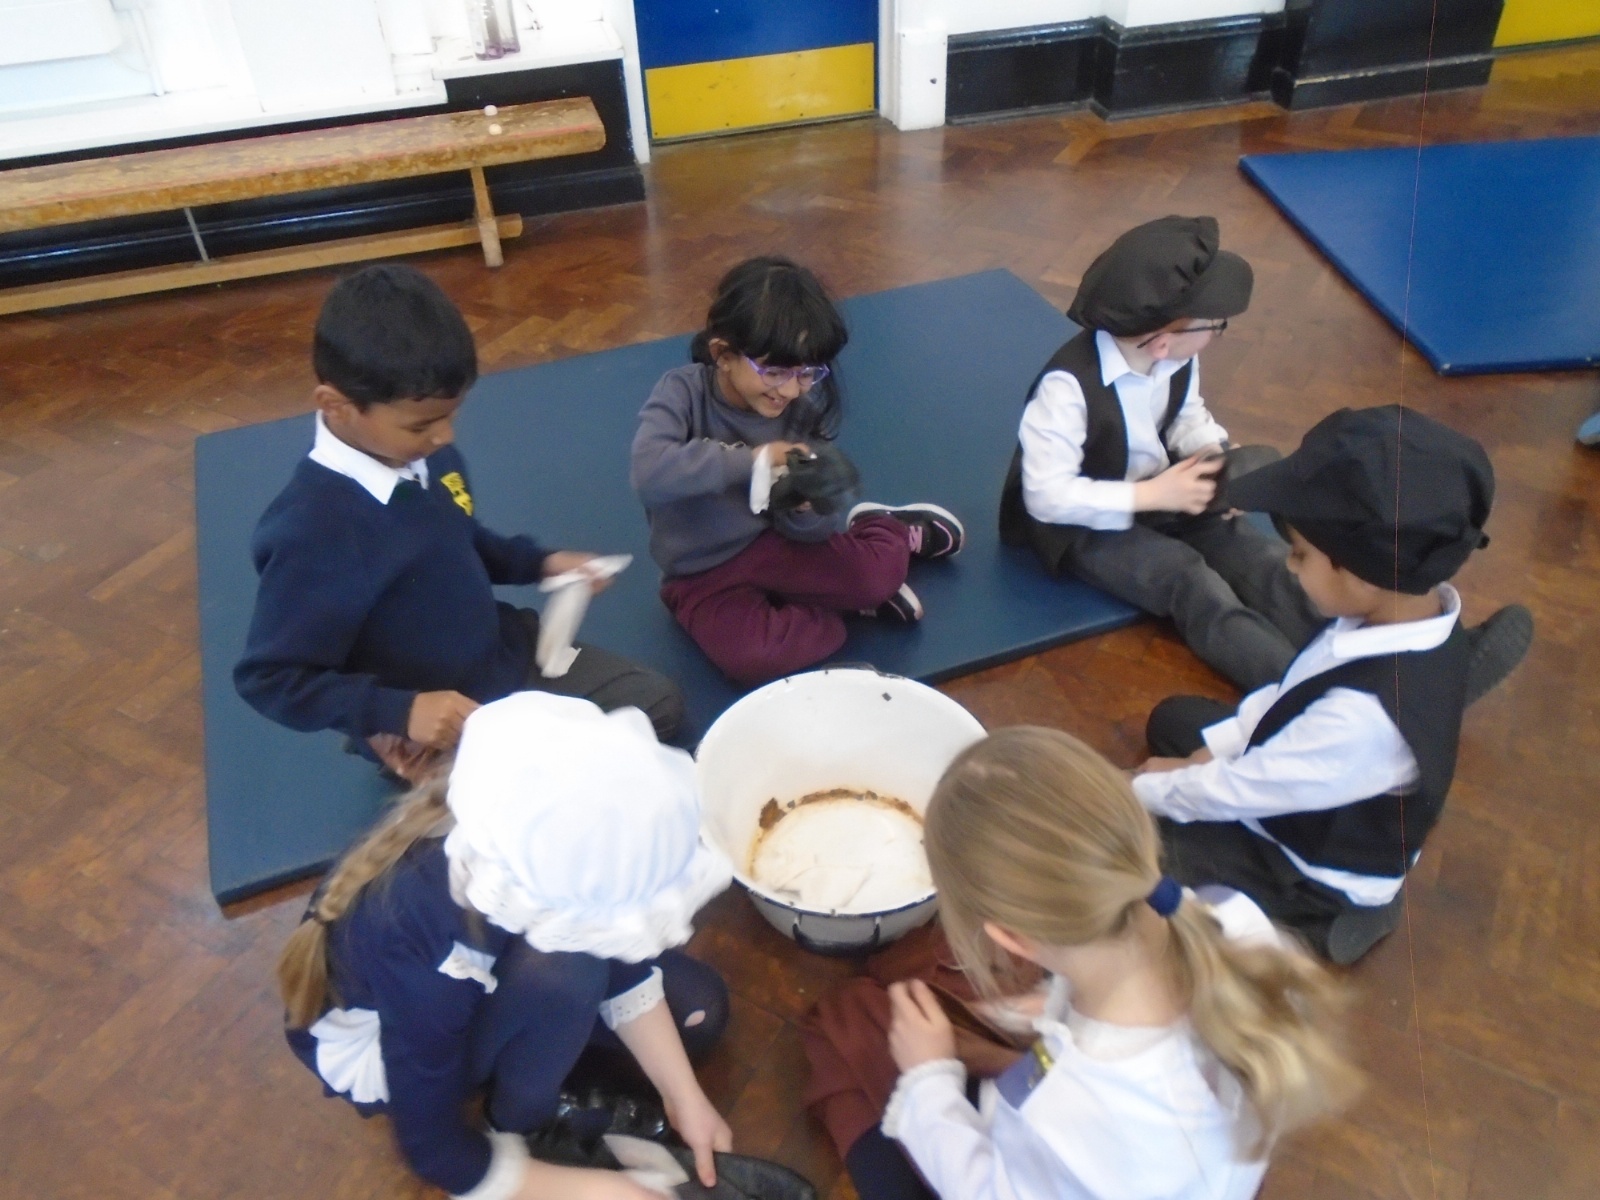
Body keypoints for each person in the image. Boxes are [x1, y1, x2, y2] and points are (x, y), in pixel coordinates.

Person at [806, 727, 1360, 1200]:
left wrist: (929, 1079)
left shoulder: (1066, 1110)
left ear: (1009, 937)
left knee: (842, 1024)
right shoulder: (1232, 917)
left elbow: (986, 1189)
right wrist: (1055, 1004)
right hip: (1193, 1174)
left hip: (1080, 1158)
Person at [276, 691, 734, 1200]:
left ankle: (535, 1042)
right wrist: (604, 1190)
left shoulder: (516, 834)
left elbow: (608, 945)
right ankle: (523, 1125)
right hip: (387, 1042)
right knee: (570, 971)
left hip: (468, 973)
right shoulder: (432, 949)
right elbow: (433, 1150)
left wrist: (683, 1096)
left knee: (699, 1013)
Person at [235, 265, 683, 779]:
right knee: (516, 802)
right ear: (336, 406)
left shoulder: (424, 455)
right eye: (422, 424)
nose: (445, 436)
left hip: (505, 655)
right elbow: (270, 678)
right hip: (437, 720)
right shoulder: (312, 532)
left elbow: (458, 539)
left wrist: (540, 563)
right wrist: (398, 712)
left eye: (452, 414)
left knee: (655, 709)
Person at [1132, 406, 1532, 964]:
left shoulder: (1362, 718)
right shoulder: (1404, 614)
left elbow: (1244, 790)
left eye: (1300, 555)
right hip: (1316, 778)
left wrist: (1135, 792)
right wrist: (1213, 749)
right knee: (1175, 722)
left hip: (1312, 866)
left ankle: (1335, 919)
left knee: (1137, 850)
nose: (1290, 567)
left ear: (1360, 573)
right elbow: (1290, 693)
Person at [999, 215, 1325, 692]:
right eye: (1216, 325)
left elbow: (1187, 414)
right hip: (1086, 522)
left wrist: (1212, 452)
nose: (1218, 333)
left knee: (1257, 555)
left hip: (1164, 489)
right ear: (1162, 340)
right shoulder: (1066, 387)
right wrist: (1152, 496)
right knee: (1190, 581)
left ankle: (1365, 653)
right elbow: (1047, 497)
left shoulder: (1177, 357)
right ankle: (1300, 691)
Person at [631, 256, 965, 685]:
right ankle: (843, 607)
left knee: (876, 577)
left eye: (807, 373)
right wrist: (755, 460)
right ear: (723, 355)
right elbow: (650, 472)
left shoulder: (800, 415)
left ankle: (887, 529)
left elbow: (815, 532)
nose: (789, 389)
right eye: (773, 371)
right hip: (699, 573)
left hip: (774, 546)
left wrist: (806, 506)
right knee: (752, 659)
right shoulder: (682, 392)